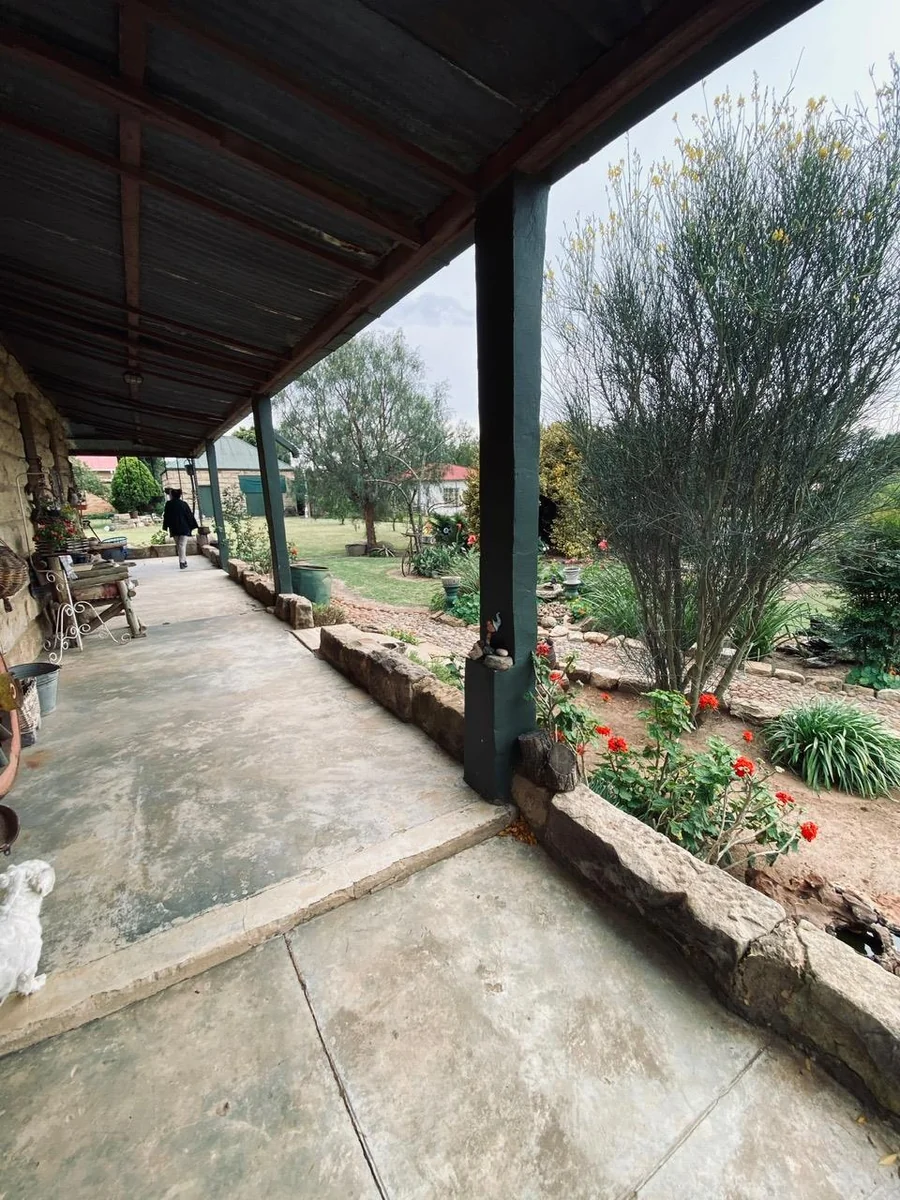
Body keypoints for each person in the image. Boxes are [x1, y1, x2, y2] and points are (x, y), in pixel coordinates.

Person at [161, 487, 197, 569]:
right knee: (181, 545)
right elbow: (189, 516)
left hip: (174, 528)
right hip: (184, 528)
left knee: (179, 545)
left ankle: (182, 561)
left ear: (172, 495)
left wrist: (165, 526)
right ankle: (183, 561)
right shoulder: (184, 504)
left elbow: (166, 516)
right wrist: (192, 526)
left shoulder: (168, 504)